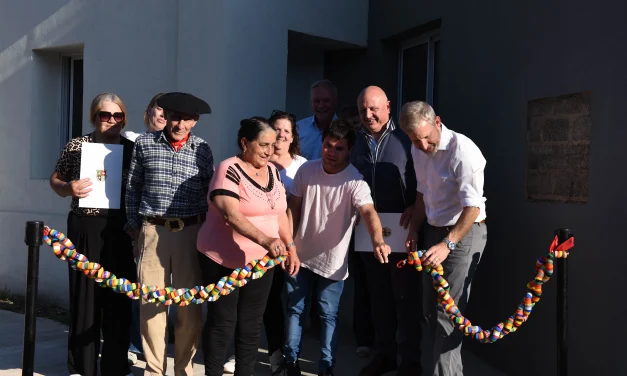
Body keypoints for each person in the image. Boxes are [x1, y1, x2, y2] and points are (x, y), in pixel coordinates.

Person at [284, 119, 392, 376]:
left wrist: (379, 240)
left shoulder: (355, 181)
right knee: (295, 310)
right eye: (327, 145)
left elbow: (369, 213)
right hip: (298, 256)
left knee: (327, 316)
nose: (331, 152)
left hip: (332, 262)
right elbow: (293, 209)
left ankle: (326, 366)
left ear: (349, 150)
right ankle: (290, 364)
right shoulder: (306, 171)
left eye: (339, 148)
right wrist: (289, 246)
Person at [197, 116, 301, 376]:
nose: (270, 150)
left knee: (251, 324)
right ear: (245, 143)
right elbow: (230, 214)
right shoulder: (228, 168)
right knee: (223, 322)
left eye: (272, 144)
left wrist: (290, 246)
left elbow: (279, 212)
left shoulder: (274, 171)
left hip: (259, 263)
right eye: (263, 145)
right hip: (221, 259)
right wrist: (266, 240)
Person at [125, 92, 214, 376]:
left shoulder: (202, 149)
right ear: (166, 116)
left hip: (191, 231)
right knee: (151, 304)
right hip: (152, 231)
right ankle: (153, 370)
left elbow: (207, 193)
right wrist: (134, 229)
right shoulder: (144, 144)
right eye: (174, 117)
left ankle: (184, 369)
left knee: (189, 306)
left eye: (186, 119)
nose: (178, 124)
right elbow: (132, 188)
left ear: (194, 122)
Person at [49, 92, 136, 376]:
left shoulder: (132, 149)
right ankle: (81, 367)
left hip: (120, 230)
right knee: (85, 298)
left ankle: (114, 366)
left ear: (124, 119)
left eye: (117, 115)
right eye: (104, 114)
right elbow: (56, 178)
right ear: (94, 116)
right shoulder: (77, 145)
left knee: (118, 298)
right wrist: (67, 188)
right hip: (85, 227)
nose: (110, 120)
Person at [399, 101, 488, 376]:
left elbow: (472, 208)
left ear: (437, 122)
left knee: (447, 315)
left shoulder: (464, 151)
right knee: (429, 312)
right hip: (434, 232)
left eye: (427, 137)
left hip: (463, 233)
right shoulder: (417, 150)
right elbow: (423, 194)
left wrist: (447, 244)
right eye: (415, 140)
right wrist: (414, 229)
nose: (423, 145)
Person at [351, 86, 422, 376]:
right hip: (369, 232)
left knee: (405, 298)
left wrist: (416, 209)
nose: (368, 115)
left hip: (405, 229)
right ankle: (386, 354)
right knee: (378, 296)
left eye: (374, 108)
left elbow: (424, 180)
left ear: (388, 106)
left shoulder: (407, 138)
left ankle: (410, 362)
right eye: (363, 110)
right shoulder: (355, 142)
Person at [121, 92, 166, 365]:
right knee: (134, 286)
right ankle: (132, 344)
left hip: (165, 230)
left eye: (167, 112)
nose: (162, 116)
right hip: (134, 225)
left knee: (156, 291)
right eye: (158, 110)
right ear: (148, 112)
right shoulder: (132, 141)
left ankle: (149, 344)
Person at [295, 80, 338, 160]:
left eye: (326, 101)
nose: (321, 105)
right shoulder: (299, 128)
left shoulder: (345, 130)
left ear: (335, 101)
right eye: (316, 101)